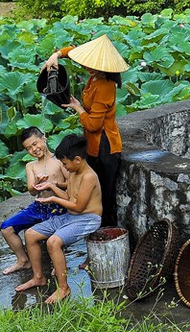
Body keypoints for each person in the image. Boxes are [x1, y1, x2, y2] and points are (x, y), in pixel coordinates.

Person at [43, 34, 128, 229]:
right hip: (93, 143)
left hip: (106, 145)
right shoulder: (95, 75)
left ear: (105, 67)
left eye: (94, 65)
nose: (88, 67)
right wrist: (55, 56)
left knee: (104, 196)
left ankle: (108, 234)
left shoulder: (106, 86)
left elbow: (93, 125)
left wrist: (78, 108)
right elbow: (72, 51)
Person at [15, 134, 102, 304]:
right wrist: (51, 186)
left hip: (88, 218)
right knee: (31, 234)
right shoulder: (74, 172)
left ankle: (64, 288)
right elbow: (69, 197)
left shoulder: (88, 176)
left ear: (77, 159)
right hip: (71, 216)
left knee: (53, 242)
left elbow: (78, 206)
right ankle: (38, 277)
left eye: (64, 163)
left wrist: (52, 199)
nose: (64, 167)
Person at [0, 127, 68, 275]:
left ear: (44, 138)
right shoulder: (31, 166)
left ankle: (59, 263)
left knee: (55, 234)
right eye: (29, 148)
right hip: (38, 206)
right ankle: (23, 260)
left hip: (58, 206)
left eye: (35, 144)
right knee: (6, 228)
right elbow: (31, 190)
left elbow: (71, 184)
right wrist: (37, 183)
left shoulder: (59, 160)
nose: (34, 149)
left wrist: (54, 184)